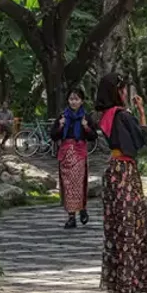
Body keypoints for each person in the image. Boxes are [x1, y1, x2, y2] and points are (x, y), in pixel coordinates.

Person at [92, 73, 147, 293]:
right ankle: (132, 281)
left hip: (112, 170)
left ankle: (117, 280)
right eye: (123, 89)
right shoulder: (122, 116)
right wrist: (142, 113)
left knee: (116, 225)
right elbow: (140, 140)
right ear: (116, 91)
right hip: (125, 171)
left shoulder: (106, 116)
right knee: (134, 224)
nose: (126, 93)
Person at [50, 87, 96, 229]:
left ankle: (82, 208)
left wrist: (86, 127)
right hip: (65, 154)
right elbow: (53, 135)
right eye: (71, 99)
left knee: (79, 183)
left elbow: (93, 136)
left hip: (79, 153)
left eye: (76, 99)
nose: (73, 102)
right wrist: (61, 126)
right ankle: (71, 217)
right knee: (68, 185)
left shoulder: (86, 117)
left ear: (81, 101)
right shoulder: (62, 116)